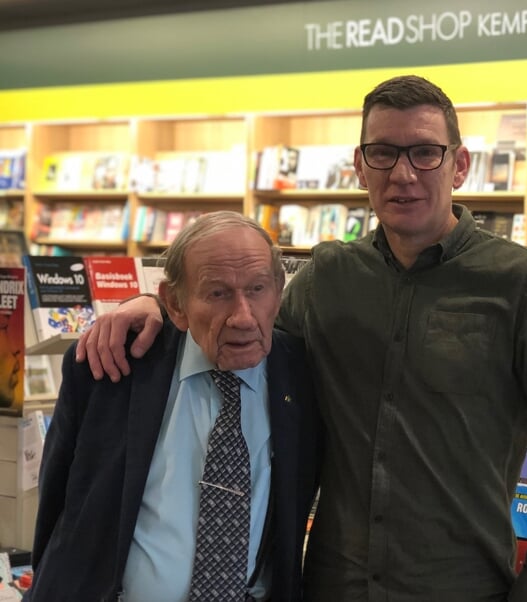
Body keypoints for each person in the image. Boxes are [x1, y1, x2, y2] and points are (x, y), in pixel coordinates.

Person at [76, 75, 527, 601]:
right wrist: (151, 302)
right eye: (383, 153)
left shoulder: (521, 285)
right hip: (332, 584)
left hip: (462, 587)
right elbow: (238, 326)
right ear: (360, 167)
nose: (403, 174)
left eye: (425, 152)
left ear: (461, 165)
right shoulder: (327, 277)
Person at [27, 211, 321, 601]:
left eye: (257, 289)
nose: (243, 317)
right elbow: (55, 506)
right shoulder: (113, 365)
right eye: (218, 293)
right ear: (175, 304)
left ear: (279, 291)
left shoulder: (304, 375)